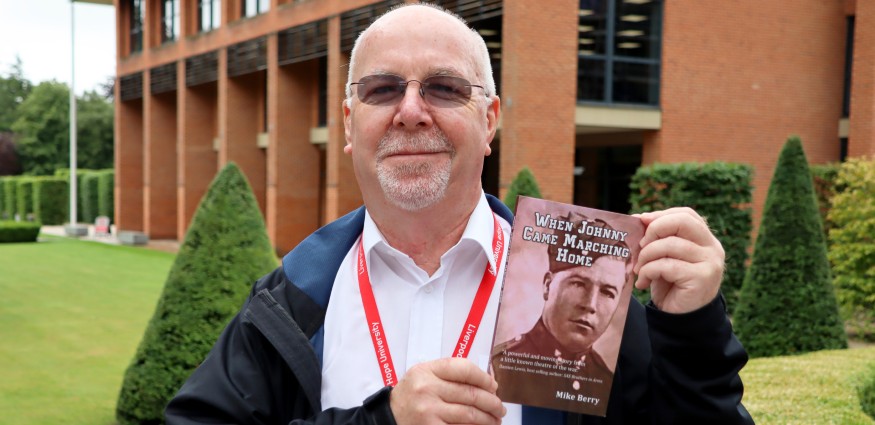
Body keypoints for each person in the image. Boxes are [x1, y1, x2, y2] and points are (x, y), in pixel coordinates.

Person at [165, 3, 754, 425]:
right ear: (349, 123)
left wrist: (692, 330)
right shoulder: (293, 300)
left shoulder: (592, 292)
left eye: (445, 88)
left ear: (490, 119)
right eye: (382, 89)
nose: (412, 111)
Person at [491, 214, 632, 412]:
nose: (590, 304)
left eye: (608, 292)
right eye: (578, 284)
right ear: (548, 285)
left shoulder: (610, 381)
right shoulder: (499, 368)